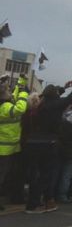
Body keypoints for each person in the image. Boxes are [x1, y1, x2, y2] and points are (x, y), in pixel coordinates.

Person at [25, 81, 72, 214]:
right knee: (45, 175)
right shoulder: (54, 105)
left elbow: (53, 95)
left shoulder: (39, 104)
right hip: (48, 142)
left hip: (33, 142)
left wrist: (64, 87)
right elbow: (69, 99)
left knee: (35, 174)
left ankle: (42, 201)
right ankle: (34, 205)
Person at [0, 78, 28, 211]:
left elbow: (13, 97)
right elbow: (20, 108)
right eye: (7, 90)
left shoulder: (6, 104)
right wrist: (23, 93)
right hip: (4, 148)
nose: (10, 92)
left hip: (8, 147)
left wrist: (20, 83)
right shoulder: (5, 107)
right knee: (1, 175)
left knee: (5, 175)